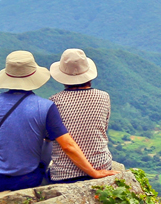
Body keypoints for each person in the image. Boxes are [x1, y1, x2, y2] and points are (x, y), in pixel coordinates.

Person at [0, 50, 114, 194]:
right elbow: (86, 135)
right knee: (47, 140)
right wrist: (93, 172)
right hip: (31, 179)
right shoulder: (46, 106)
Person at [46, 48, 116, 185]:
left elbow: (51, 138)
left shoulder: (53, 102)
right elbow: (102, 127)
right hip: (101, 165)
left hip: (64, 174)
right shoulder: (103, 97)